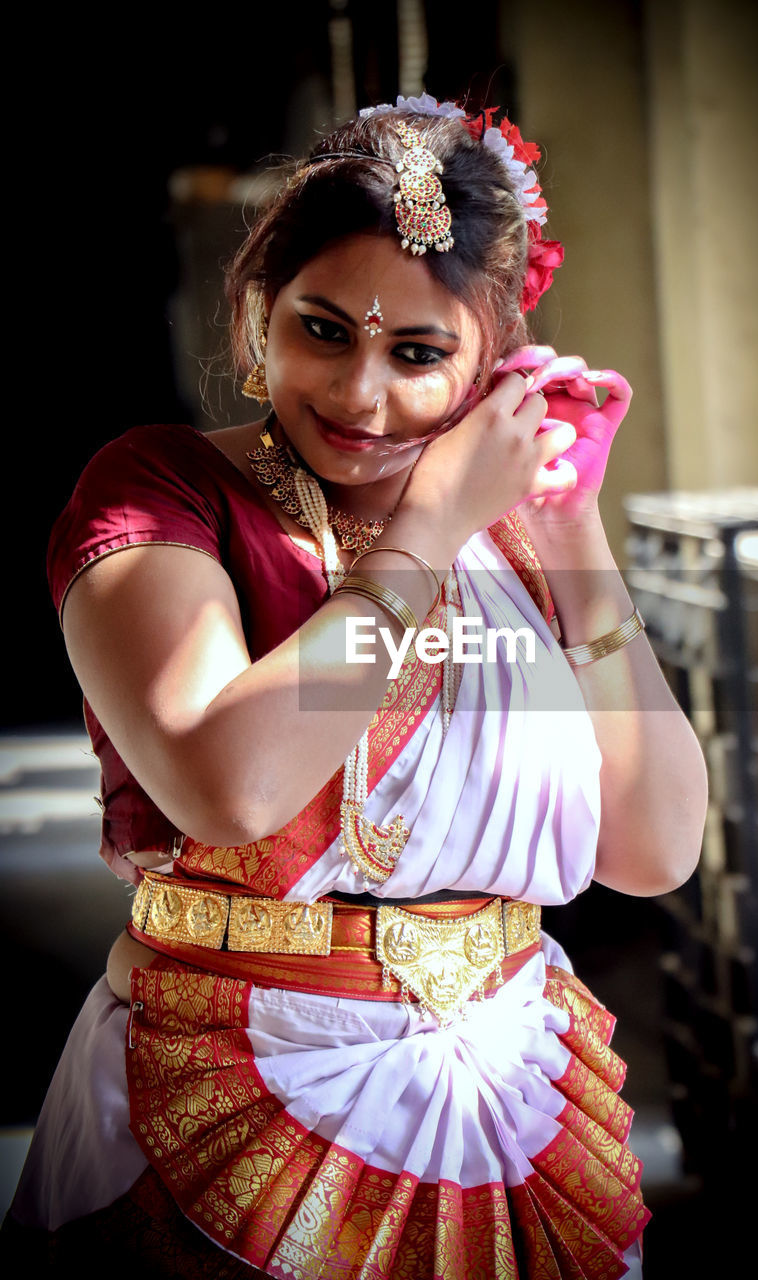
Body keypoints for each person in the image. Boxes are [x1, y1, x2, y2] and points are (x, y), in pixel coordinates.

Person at [3, 94, 707, 1278]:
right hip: (230, 1080)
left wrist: (571, 531)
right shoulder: (162, 489)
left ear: (493, 356)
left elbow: (654, 847)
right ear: (256, 313)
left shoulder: (522, 540)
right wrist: (429, 527)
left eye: (419, 353)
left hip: (506, 1089)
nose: (362, 395)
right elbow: (229, 787)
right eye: (322, 331)